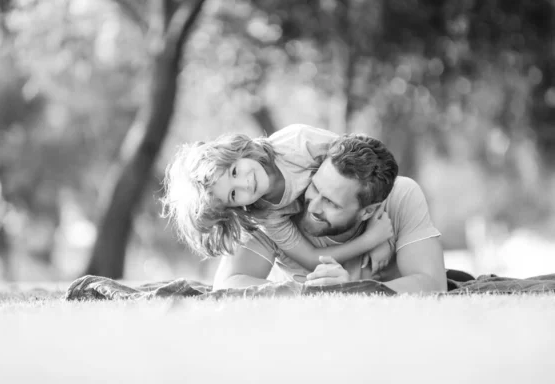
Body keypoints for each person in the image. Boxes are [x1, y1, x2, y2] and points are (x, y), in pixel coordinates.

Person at [213, 129, 448, 293]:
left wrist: (354, 291)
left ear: (368, 211)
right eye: (314, 186)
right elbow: (226, 285)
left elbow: (433, 284)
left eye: (332, 203)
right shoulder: (266, 208)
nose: (312, 205)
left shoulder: (400, 196)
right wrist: (308, 293)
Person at [161, 124, 394, 274]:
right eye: (233, 194)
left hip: (356, 206)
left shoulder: (296, 143)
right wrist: (372, 240)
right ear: (236, 207)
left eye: (234, 172)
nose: (245, 183)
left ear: (237, 152)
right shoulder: (267, 215)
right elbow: (312, 260)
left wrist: (381, 234)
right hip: (329, 230)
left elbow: (366, 168)